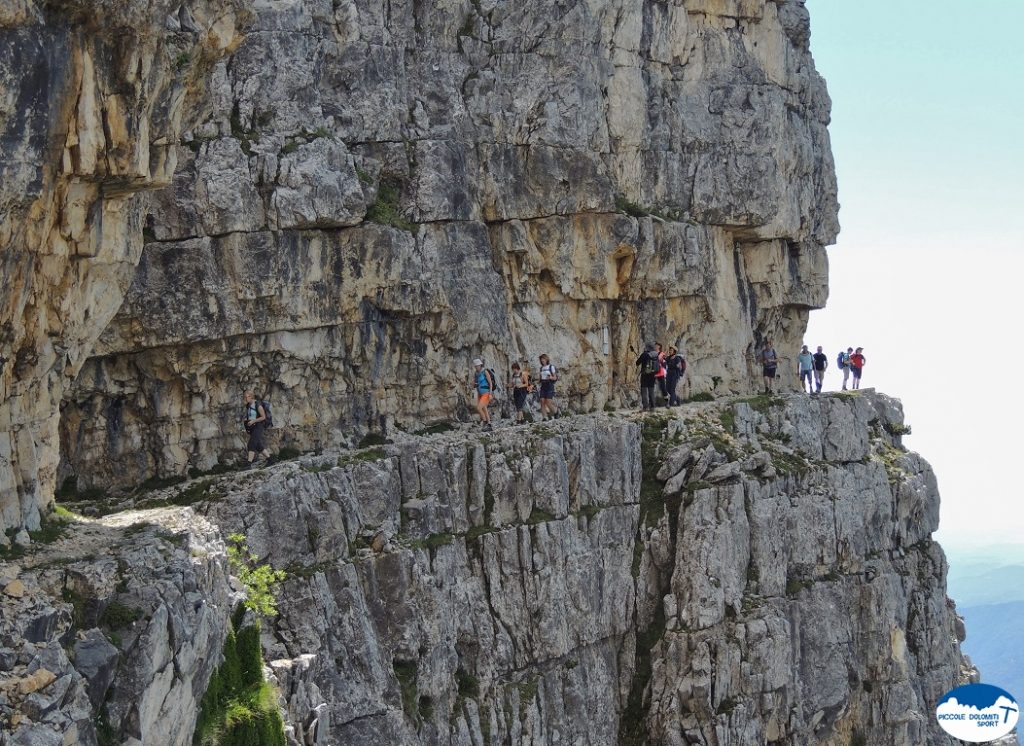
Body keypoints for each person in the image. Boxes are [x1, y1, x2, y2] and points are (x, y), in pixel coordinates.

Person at [243, 390, 272, 468]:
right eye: (245, 397)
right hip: (252, 427)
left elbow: (263, 417)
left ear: (251, 396)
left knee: (251, 444)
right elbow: (250, 415)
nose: (246, 398)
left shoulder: (257, 404)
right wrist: (247, 421)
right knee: (259, 446)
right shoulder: (248, 405)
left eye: (247, 397)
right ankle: (270, 460)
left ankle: (249, 464)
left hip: (258, 426)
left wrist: (253, 421)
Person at [636, 342, 659, 410]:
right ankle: (652, 406)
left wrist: (641, 358)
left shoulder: (644, 354)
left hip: (645, 375)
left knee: (644, 390)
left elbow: (637, 363)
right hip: (653, 375)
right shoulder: (655, 354)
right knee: (651, 390)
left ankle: (645, 406)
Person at [473, 358, 495, 428]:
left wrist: (490, 394)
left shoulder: (485, 372)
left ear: (480, 365)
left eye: (477, 366)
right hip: (480, 393)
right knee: (484, 409)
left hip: (486, 393)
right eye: (475, 366)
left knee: (479, 408)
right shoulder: (476, 373)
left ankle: (485, 422)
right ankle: (489, 424)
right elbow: (476, 383)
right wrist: (474, 385)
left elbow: (490, 383)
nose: (476, 367)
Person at [538, 354, 558, 419]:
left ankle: (556, 411)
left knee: (548, 401)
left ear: (546, 359)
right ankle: (545, 417)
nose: (542, 360)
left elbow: (555, 377)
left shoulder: (551, 367)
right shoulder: (541, 368)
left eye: (543, 359)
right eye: (541, 359)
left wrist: (550, 377)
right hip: (543, 385)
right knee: (542, 401)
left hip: (549, 385)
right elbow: (540, 378)